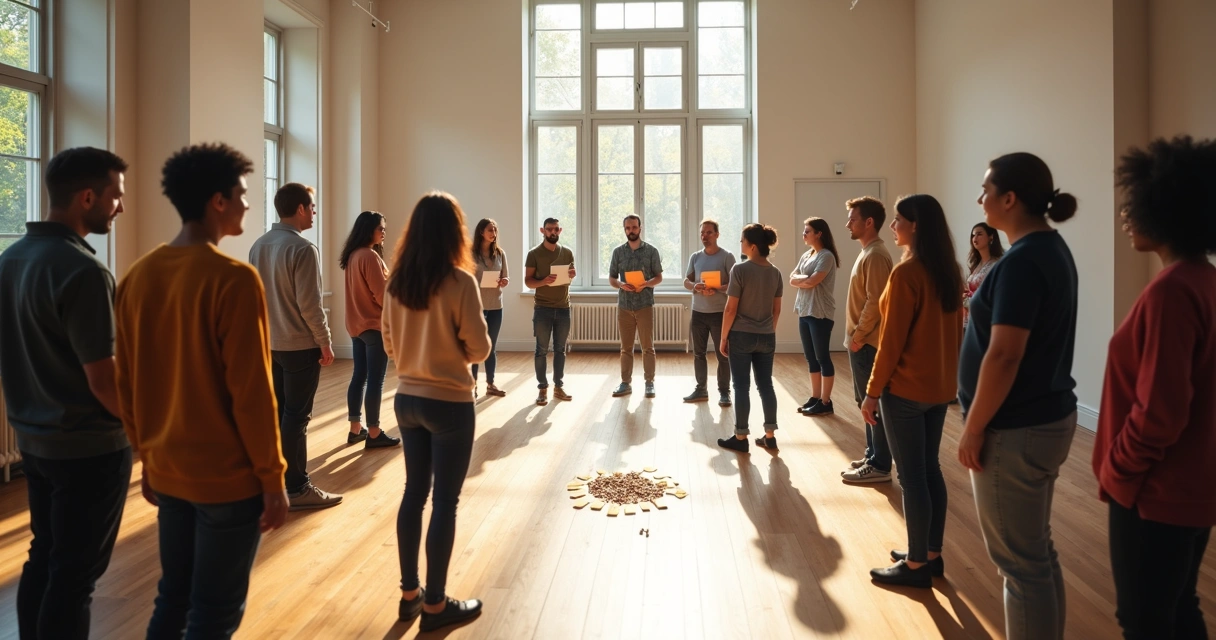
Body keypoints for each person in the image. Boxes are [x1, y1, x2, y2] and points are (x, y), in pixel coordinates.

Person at [115, 143, 288, 639]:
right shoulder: (233, 280)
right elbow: (252, 393)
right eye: (243, 195)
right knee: (214, 612)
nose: (248, 205)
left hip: (167, 471)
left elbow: (128, 384)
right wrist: (273, 480)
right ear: (218, 201)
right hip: (227, 480)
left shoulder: (138, 277)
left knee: (173, 596)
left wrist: (146, 455)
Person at [0, 147, 131, 640]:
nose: (120, 208)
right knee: (75, 578)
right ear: (88, 196)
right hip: (90, 449)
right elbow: (103, 378)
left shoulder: (10, 259)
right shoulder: (84, 271)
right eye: (116, 197)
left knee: (45, 557)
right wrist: (148, 435)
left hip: (34, 441)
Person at [1095, 135, 1216, 640]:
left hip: (1154, 493)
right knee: (1179, 605)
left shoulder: (1171, 292)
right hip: (1192, 487)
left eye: (1134, 205)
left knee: (1144, 621)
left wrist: (1118, 473)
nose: (1126, 217)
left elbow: (1159, 413)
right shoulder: (1204, 280)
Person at [957, 152, 1079, 640]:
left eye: (986, 190)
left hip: (1015, 429)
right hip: (1044, 418)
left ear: (1010, 199)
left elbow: (1005, 355)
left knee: (1020, 566)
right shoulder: (1050, 248)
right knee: (1036, 554)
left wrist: (973, 427)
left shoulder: (1024, 262)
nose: (980, 198)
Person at [383, 192, 491, 632]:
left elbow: (389, 342)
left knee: (414, 492)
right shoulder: (460, 282)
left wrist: (413, 359)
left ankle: (409, 594)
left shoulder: (397, 283)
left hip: (406, 400)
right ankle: (434, 605)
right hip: (449, 403)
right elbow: (480, 347)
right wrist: (452, 354)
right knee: (445, 502)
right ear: (455, 232)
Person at [862, 194, 963, 588]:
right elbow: (955, 335)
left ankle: (917, 563)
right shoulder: (949, 271)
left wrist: (872, 392)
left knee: (912, 477)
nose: (893, 225)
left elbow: (890, 342)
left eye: (899, 219)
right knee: (929, 470)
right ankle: (931, 553)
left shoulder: (907, 275)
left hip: (904, 390)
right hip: (938, 389)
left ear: (916, 225)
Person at [249, 183, 344, 511]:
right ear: (301, 209)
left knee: (278, 413)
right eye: (312, 207)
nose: (314, 212)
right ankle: (297, 486)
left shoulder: (258, 246)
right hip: (299, 346)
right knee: (296, 415)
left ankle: (274, 481)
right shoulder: (303, 249)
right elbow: (310, 305)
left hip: (270, 343)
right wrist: (325, 341)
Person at [839, 196, 895, 484]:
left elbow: (876, 302)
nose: (847, 223)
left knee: (873, 404)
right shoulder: (869, 252)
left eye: (852, 218)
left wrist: (858, 337)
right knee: (865, 401)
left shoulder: (875, 255)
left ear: (869, 222)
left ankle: (880, 465)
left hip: (868, 342)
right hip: (862, 341)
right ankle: (873, 453)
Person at [717, 224, 783, 453]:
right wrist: (768, 331)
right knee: (766, 385)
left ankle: (741, 437)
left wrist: (724, 337)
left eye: (742, 240)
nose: (740, 244)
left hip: (742, 336)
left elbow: (730, 309)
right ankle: (770, 436)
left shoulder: (740, 269)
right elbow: (777, 310)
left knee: (741, 386)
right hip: (767, 336)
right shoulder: (775, 272)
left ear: (753, 246)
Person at [339, 211, 402, 450]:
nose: (384, 232)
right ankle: (374, 432)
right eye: (381, 228)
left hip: (356, 326)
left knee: (360, 377)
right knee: (375, 380)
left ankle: (356, 429)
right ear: (369, 230)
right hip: (374, 326)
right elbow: (382, 295)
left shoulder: (353, 255)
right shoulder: (369, 256)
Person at [609, 215, 664, 398]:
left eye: (633, 227)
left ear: (640, 228)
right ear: (624, 229)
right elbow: (612, 278)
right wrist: (620, 285)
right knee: (626, 348)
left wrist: (646, 284)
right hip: (624, 305)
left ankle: (649, 383)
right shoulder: (618, 252)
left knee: (647, 347)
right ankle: (625, 383)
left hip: (644, 305)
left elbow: (659, 277)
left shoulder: (651, 251)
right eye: (627, 228)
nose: (630, 231)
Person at [791, 217, 840, 417]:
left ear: (819, 233)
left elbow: (814, 281)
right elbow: (792, 278)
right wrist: (805, 280)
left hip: (820, 313)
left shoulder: (826, 256)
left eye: (807, 231)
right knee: (810, 358)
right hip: (804, 311)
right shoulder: (807, 255)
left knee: (822, 357)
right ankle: (815, 397)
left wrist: (804, 281)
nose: (804, 234)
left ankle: (826, 401)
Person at [683, 219, 736, 406]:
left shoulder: (727, 257)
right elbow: (686, 282)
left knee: (723, 354)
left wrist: (718, 288)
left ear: (717, 234)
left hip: (719, 314)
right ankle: (701, 389)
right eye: (702, 233)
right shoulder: (695, 257)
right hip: (698, 313)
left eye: (708, 233)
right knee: (699, 353)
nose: (704, 236)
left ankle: (724, 392)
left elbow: (735, 285)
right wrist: (695, 286)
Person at [524, 218, 577, 406]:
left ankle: (558, 387)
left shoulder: (568, 252)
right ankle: (542, 389)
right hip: (543, 309)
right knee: (541, 350)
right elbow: (528, 281)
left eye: (556, 229)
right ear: (542, 231)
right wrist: (543, 281)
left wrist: (571, 274)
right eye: (549, 229)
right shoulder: (534, 254)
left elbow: (568, 278)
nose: (553, 232)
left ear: (560, 230)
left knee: (560, 350)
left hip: (563, 308)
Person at [471, 218, 509, 398]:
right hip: (475, 306)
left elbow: (506, 277)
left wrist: (503, 281)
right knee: (475, 346)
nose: (494, 233)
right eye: (490, 230)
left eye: (495, 230)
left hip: (495, 305)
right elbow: (465, 278)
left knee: (491, 346)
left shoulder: (500, 254)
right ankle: (472, 386)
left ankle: (490, 384)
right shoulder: (470, 254)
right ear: (481, 232)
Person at [963, 222, 1004, 326]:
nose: (975, 238)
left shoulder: (996, 264)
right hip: (972, 316)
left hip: (988, 316)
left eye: (979, 234)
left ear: (991, 237)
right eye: (973, 235)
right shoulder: (976, 264)